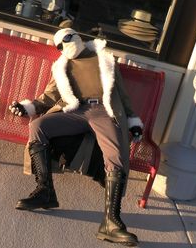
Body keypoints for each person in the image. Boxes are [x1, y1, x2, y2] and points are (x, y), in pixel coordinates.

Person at [9, 27, 143, 246]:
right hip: (75, 111)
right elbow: (49, 96)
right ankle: (45, 192)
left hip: (104, 111)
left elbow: (123, 96)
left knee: (116, 155)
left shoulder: (103, 58)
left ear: (78, 36)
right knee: (39, 126)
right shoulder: (62, 65)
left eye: (67, 39)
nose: (63, 46)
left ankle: (111, 222)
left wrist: (133, 120)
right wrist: (27, 108)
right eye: (59, 45)